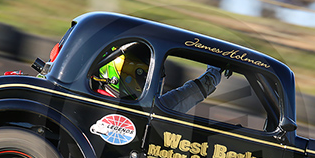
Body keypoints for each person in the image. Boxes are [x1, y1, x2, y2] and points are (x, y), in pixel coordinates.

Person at [90, 42, 223, 113]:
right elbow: (189, 94)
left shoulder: (86, 94)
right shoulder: (152, 109)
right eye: (145, 77)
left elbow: (191, 92)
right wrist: (214, 72)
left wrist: (214, 72)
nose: (151, 84)